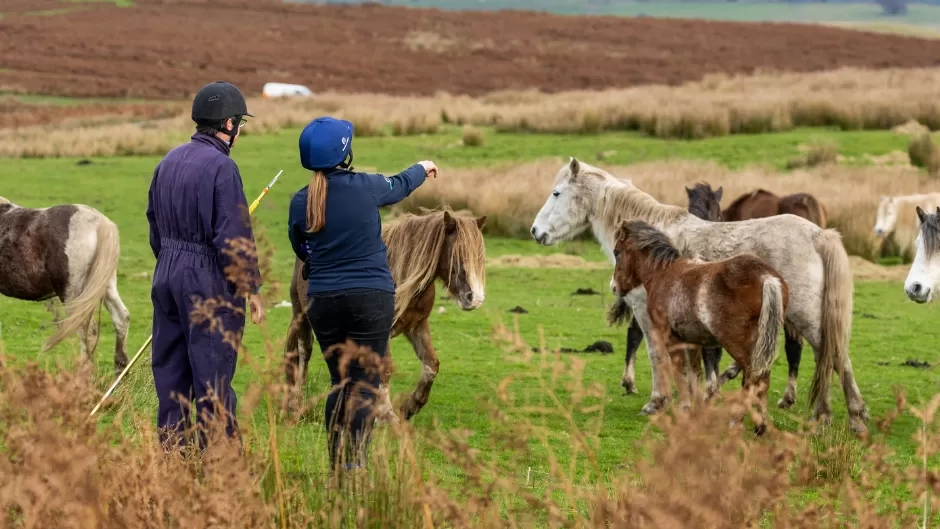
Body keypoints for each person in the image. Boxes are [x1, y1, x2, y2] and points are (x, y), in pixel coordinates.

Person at [287, 116, 438, 472]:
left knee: (340, 383)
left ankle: (337, 466)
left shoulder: (300, 200)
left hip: (323, 300)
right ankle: (355, 467)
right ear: (346, 153)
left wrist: (320, 260)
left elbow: (300, 247)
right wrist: (423, 167)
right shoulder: (367, 186)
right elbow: (400, 184)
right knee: (366, 385)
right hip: (370, 299)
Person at [146, 80, 266, 451]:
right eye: (240, 124)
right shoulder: (222, 168)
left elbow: (154, 223)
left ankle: (172, 462)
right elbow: (233, 237)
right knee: (212, 376)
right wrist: (251, 288)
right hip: (207, 281)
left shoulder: (167, 160)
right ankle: (222, 470)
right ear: (227, 124)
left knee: (171, 376)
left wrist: (170, 265)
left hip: (166, 274)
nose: (240, 131)